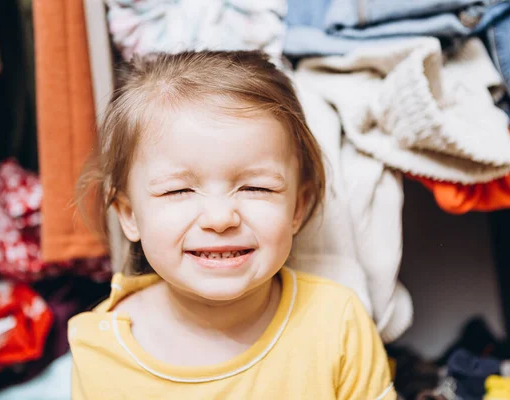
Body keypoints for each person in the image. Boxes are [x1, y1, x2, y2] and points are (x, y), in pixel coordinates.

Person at [69, 51, 396, 399]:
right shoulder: (99, 349)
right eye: (179, 190)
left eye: (256, 187)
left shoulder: (337, 321)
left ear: (298, 207)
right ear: (129, 215)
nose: (221, 218)